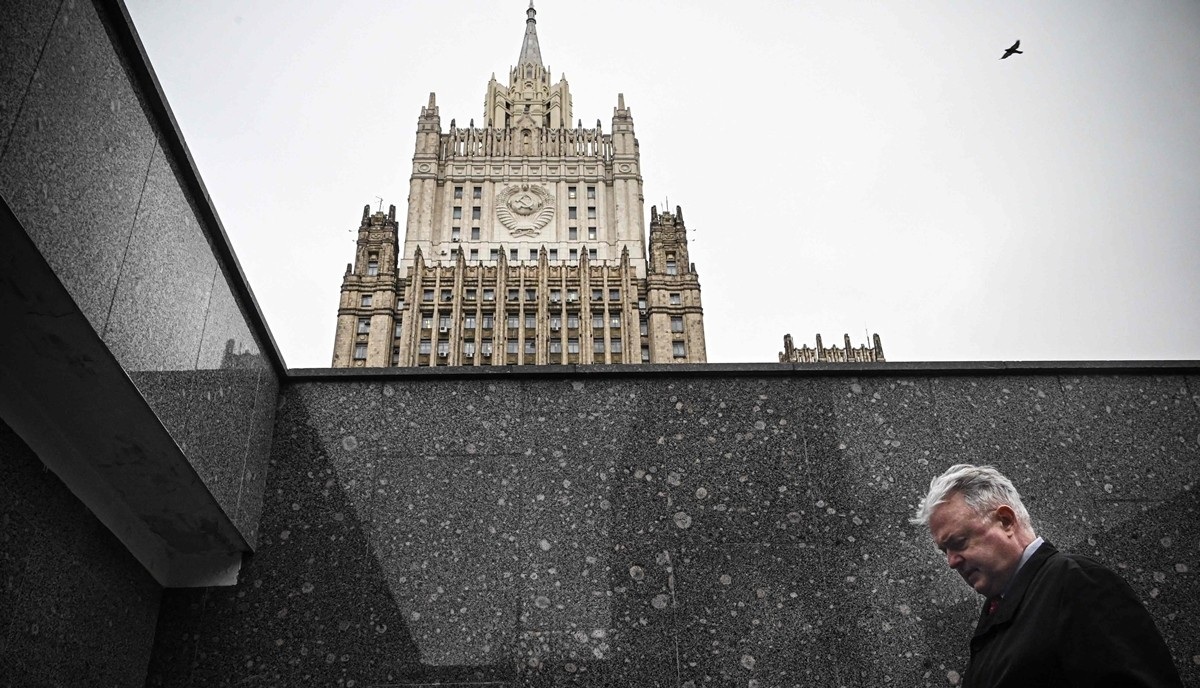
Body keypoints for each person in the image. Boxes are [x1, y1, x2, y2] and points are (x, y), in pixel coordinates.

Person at [911, 464, 1182, 688]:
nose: (951, 562)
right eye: (944, 550)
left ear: (1006, 521)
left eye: (958, 542)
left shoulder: (1076, 582)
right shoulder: (1001, 612)